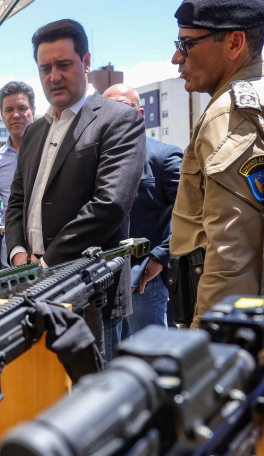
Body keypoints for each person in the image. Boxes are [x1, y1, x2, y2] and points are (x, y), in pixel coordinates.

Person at [4, 19, 145, 361]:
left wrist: (49, 262)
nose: (53, 76)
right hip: (33, 286)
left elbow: (109, 204)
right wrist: (19, 252)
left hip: (90, 294)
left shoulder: (118, 120)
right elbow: (18, 201)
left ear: (86, 62)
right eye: (45, 68)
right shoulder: (35, 131)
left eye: (64, 65)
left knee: (94, 405)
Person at [168, 0, 264, 329]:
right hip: (258, 307)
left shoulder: (232, 114)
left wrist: (207, 342)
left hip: (233, 318)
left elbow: (233, 252)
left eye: (186, 44)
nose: (177, 57)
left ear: (234, 43)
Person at [103, 84, 183, 334]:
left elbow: (194, 214)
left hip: (145, 280)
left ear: (139, 114)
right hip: (106, 280)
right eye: (107, 110)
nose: (114, 115)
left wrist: (160, 257)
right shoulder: (98, 160)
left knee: (150, 359)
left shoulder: (163, 157)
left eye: (122, 108)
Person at [0, 81, 36, 268]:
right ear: (2, 115)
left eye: (22, 108)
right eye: (9, 109)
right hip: (10, 258)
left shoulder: (51, 150)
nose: (15, 115)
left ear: (33, 110)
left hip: (47, 256)